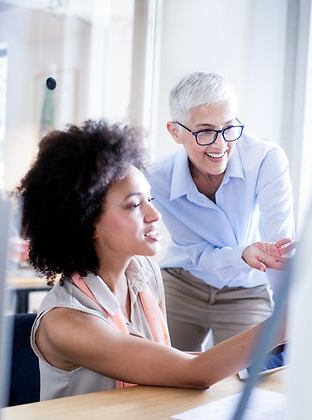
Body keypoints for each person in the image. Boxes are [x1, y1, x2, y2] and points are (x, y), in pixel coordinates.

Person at [15, 119, 286, 399]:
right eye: (134, 205)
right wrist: (287, 321)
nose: (154, 215)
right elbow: (194, 372)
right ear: (86, 220)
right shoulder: (67, 321)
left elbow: (167, 360)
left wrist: (267, 351)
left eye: (150, 199)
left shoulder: (144, 272)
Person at [147, 71, 295, 351]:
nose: (220, 144)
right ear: (175, 131)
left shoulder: (265, 159)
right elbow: (199, 254)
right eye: (205, 131)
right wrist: (243, 253)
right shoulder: (158, 180)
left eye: (229, 127)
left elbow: (280, 250)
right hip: (183, 282)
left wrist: (288, 316)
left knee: (247, 381)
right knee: (159, 374)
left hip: (247, 290)